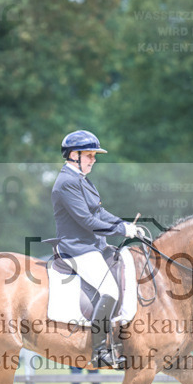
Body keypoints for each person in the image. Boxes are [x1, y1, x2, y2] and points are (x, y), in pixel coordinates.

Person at [51, 130, 141, 369]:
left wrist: (125, 224)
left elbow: (99, 212)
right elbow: (87, 221)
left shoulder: (82, 179)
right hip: (78, 248)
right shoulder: (66, 183)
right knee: (110, 289)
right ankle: (99, 351)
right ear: (74, 155)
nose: (93, 160)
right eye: (89, 155)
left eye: (94, 156)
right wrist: (121, 230)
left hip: (94, 246)